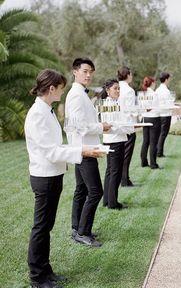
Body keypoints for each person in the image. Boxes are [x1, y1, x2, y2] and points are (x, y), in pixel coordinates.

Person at [25, 69, 103, 288]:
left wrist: (81, 148)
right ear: (52, 88)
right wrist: (82, 152)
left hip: (53, 174)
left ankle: (45, 270)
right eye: (60, 87)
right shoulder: (38, 114)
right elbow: (51, 152)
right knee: (41, 227)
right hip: (44, 177)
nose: (62, 91)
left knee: (46, 226)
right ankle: (37, 277)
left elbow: (56, 146)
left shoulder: (46, 110)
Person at [64, 57, 112, 247]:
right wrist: (102, 126)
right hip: (84, 150)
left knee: (81, 190)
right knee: (95, 191)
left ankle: (77, 227)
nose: (89, 75)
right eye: (85, 71)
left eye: (91, 71)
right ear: (75, 71)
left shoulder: (80, 94)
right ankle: (82, 232)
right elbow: (80, 126)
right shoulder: (76, 95)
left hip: (82, 147)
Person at [100, 79, 134, 209]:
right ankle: (113, 203)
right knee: (115, 172)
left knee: (110, 171)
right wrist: (128, 128)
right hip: (114, 140)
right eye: (115, 88)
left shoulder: (115, 103)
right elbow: (110, 126)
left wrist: (126, 126)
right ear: (108, 90)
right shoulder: (107, 104)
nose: (118, 91)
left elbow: (118, 123)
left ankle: (107, 200)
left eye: (119, 88)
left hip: (113, 140)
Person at [117, 66, 136, 187]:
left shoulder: (115, 87)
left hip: (117, 125)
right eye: (131, 74)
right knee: (126, 155)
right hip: (127, 126)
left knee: (119, 155)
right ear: (127, 75)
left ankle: (122, 178)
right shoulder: (129, 90)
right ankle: (124, 179)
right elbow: (130, 110)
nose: (132, 76)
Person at [140, 76, 161, 169]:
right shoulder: (154, 94)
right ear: (152, 83)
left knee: (145, 141)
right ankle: (153, 164)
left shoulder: (142, 93)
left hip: (145, 118)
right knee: (153, 142)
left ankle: (143, 161)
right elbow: (156, 108)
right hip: (154, 118)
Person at [155, 72, 172, 157]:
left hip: (159, 114)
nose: (169, 80)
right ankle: (159, 152)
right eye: (169, 79)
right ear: (166, 79)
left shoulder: (157, 90)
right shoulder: (166, 91)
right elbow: (169, 104)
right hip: (166, 114)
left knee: (160, 134)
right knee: (163, 134)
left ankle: (159, 151)